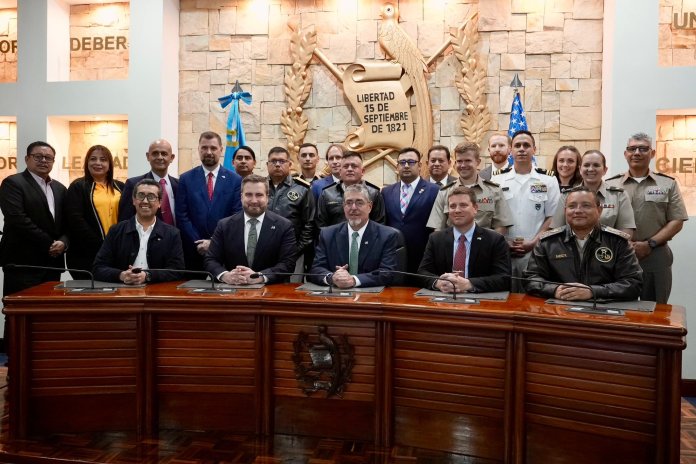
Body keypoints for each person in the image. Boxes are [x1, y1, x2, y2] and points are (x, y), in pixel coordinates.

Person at [605, 132, 688, 303]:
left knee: (655, 311)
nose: (637, 153)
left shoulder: (667, 184)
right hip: (617, 255)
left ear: (652, 153)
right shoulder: (610, 185)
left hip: (655, 255)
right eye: (632, 148)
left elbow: (677, 220)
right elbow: (600, 219)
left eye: (643, 149)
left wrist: (650, 244)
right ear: (625, 154)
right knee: (616, 308)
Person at [525, 187, 642, 301]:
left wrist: (593, 291)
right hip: (559, 308)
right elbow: (531, 279)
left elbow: (633, 283)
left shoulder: (618, 242)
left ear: (599, 210)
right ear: (565, 211)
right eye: (572, 206)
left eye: (586, 205)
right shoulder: (548, 242)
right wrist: (554, 290)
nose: (578, 211)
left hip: (604, 310)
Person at [492, 130, 561, 292]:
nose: (522, 149)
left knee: (533, 294)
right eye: (517, 145)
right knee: (503, 295)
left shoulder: (548, 179)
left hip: (536, 250)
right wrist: (503, 242)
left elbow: (552, 216)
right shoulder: (497, 179)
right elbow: (492, 216)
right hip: (503, 250)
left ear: (534, 150)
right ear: (511, 150)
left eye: (526, 145)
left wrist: (534, 242)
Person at [0, 141, 69, 296]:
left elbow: (67, 222)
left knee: (48, 313)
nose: (44, 161)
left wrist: (64, 242)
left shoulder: (60, 188)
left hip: (52, 264)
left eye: (48, 158)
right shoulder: (13, 183)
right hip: (23, 263)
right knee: (18, 314)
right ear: (27, 159)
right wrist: (50, 243)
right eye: (38, 157)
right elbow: (17, 219)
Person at [204, 174, 297, 285]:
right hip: (233, 291)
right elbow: (210, 260)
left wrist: (261, 277)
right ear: (241, 196)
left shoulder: (284, 226)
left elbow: (288, 264)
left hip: (271, 292)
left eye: (259, 195)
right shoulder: (224, 225)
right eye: (248, 195)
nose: (254, 200)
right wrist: (225, 276)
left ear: (267, 197)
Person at [419, 187, 511, 293]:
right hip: (443, 300)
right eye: (452, 206)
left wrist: (469, 284)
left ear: (475, 208)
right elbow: (422, 272)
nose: (457, 210)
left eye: (463, 205)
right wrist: (438, 282)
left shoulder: (495, 240)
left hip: (481, 301)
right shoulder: (436, 239)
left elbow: (504, 279)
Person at [93, 179, 184, 284]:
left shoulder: (172, 233)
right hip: (121, 293)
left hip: (157, 293)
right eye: (141, 195)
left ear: (159, 202)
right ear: (134, 200)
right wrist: (121, 275)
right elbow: (98, 268)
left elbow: (177, 270)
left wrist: (147, 276)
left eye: (151, 197)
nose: (145, 201)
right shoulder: (116, 231)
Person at [176, 131, 242, 270]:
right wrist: (199, 242)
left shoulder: (235, 180)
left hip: (224, 250)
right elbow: (182, 216)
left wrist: (214, 242)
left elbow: (236, 215)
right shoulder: (185, 179)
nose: (209, 152)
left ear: (221, 150)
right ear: (199, 150)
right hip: (194, 250)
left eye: (213, 148)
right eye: (204, 148)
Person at [311, 184, 399, 288]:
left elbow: (387, 273)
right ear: (344, 207)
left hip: (372, 297)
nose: (353, 208)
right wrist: (332, 277)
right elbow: (316, 269)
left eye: (359, 203)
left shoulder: (387, 235)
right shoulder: (327, 234)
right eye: (349, 203)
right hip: (335, 296)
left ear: (370, 207)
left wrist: (353, 280)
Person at [427, 141, 513, 234]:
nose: (463, 165)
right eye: (459, 161)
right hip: (453, 247)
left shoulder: (494, 191)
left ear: (478, 162)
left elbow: (500, 227)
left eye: (468, 160)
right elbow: (438, 229)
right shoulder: (445, 192)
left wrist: (490, 247)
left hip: (484, 246)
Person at [66, 145, 125, 276]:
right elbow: (76, 221)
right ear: (87, 163)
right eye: (93, 159)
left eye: (103, 159)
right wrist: (102, 244)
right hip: (86, 253)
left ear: (109, 165)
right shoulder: (78, 186)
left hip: (117, 252)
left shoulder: (121, 187)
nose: (98, 163)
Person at [550, 150, 635, 236]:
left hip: (608, 248)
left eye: (596, 165)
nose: (590, 169)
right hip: (571, 248)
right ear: (580, 169)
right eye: (586, 165)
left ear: (605, 170)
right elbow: (557, 230)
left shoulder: (619, 195)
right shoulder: (566, 195)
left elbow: (626, 230)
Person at [382, 147, 439, 275]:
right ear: (397, 167)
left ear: (419, 166)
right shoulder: (386, 192)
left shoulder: (434, 190)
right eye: (402, 162)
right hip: (393, 257)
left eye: (411, 162)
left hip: (423, 256)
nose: (406, 166)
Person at [265, 147, 316, 273]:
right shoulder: (260, 187)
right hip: (262, 251)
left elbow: (310, 224)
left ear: (290, 164)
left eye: (282, 161)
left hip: (294, 253)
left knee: (291, 290)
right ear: (267, 164)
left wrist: (296, 250)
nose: (277, 164)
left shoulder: (302, 189)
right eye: (273, 161)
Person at [316, 151, 385, 227]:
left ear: (362, 171)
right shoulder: (327, 194)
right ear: (340, 172)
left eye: (354, 166)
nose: (349, 169)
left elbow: (379, 225)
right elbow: (321, 226)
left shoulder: (374, 194)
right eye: (345, 166)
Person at [118, 139, 178, 224]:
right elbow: (125, 220)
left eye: (164, 154)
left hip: (178, 236)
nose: (160, 157)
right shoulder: (133, 184)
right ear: (148, 156)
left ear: (171, 158)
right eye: (155, 153)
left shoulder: (180, 185)